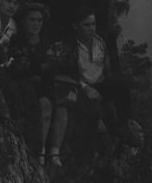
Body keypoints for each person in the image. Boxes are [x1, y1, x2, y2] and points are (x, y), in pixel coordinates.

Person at [46, 9, 138, 168]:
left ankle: (123, 125)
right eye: (86, 24)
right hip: (78, 86)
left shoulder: (100, 42)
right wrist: (85, 88)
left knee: (121, 85)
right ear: (76, 26)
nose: (91, 28)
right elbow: (58, 70)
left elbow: (107, 68)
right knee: (93, 113)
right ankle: (82, 159)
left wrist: (104, 87)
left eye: (93, 24)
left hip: (99, 84)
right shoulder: (67, 46)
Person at [2, 1, 59, 159]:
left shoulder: (47, 44)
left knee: (46, 104)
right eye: (32, 20)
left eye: (39, 20)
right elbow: (14, 68)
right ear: (24, 21)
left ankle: (39, 152)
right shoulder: (15, 41)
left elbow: (51, 69)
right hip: (22, 87)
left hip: (43, 88)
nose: (36, 24)